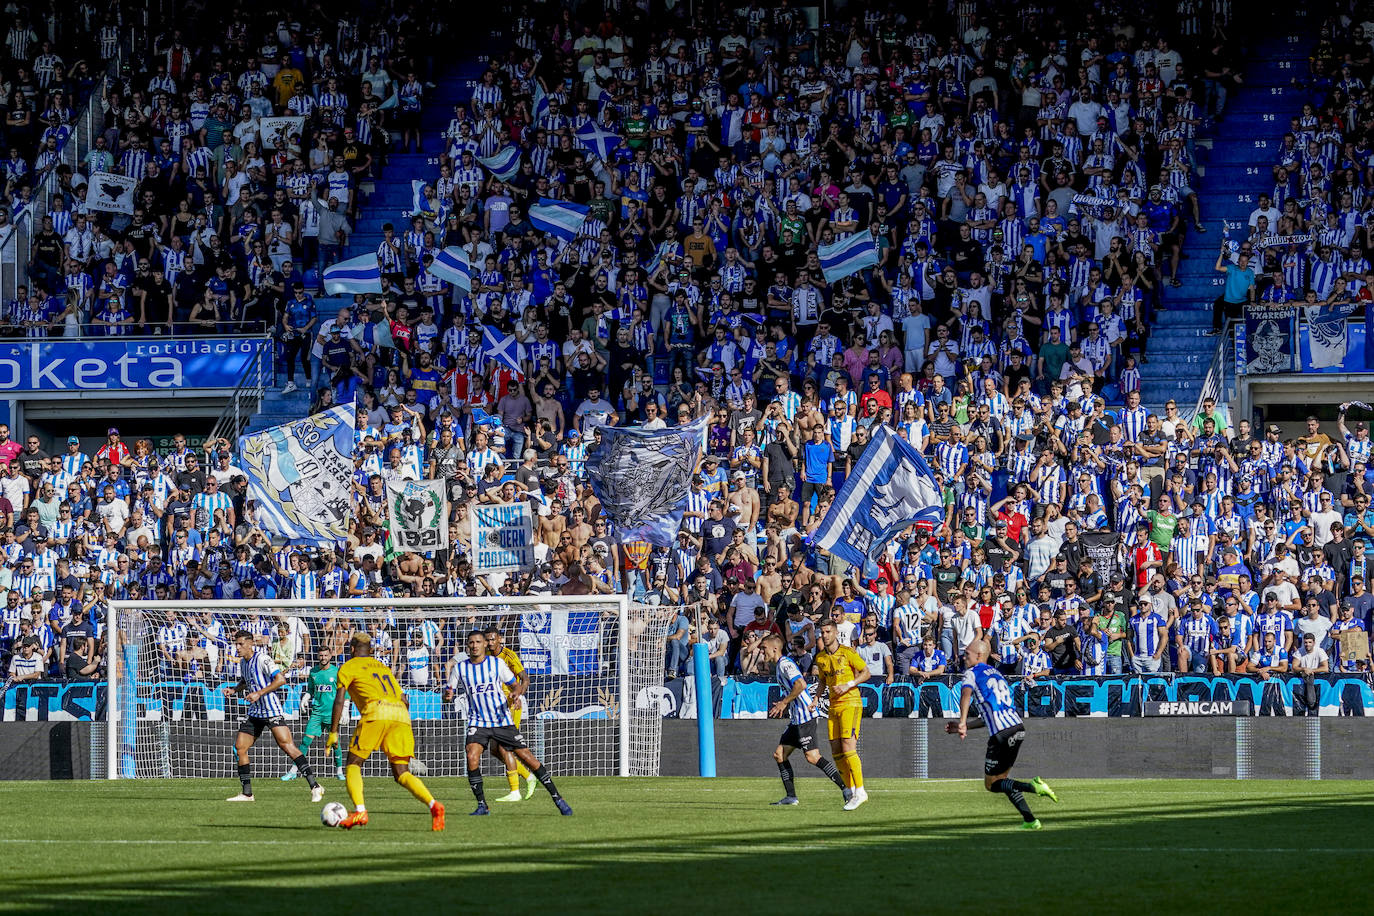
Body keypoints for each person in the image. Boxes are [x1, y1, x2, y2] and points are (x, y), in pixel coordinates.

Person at [444, 631, 572, 817]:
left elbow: (516, 684)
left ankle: (557, 798)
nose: (474, 645)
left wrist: (516, 693)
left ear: (484, 645)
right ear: (467, 645)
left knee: (528, 757)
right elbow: (449, 692)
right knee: (472, 756)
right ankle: (482, 806)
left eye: (478, 642)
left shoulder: (497, 664)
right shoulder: (461, 668)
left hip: (501, 719)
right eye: (471, 642)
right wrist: (447, 696)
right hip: (478, 721)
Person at [326, 632, 445, 831]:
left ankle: (360, 811)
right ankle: (434, 805)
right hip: (401, 714)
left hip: (376, 710)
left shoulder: (348, 666)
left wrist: (333, 731)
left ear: (352, 649)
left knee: (353, 763)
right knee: (401, 772)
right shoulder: (382, 667)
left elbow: (339, 699)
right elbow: (405, 698)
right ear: (371, 650)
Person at [946, 639, 1058, 829]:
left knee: (991, 785)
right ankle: (1030, 820)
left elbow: (965, 694)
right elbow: (987, 717)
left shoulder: (972, 673)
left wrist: (962, 722)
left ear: (979, 656)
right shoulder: (998, 674)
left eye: (968, 654)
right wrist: (964, 726)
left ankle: (1034, 787)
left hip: (1001, 734)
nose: (965, 658)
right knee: (1004, 780)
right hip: (1018, 729)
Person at [223, 630, 323, 803]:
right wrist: (234, 689)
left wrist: (259, 693)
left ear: (250, 643)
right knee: (240, 747)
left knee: (287, 746)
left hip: (271, 710)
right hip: (255, 712)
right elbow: (246, 681)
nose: (237, 647)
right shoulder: (243, 663)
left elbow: (280, 680)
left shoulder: (262, 659)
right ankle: (247, 794)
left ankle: (315, 786)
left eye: (240, 644)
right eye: (235, 644)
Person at [761, 635, 849, 807]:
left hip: (805, 716)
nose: (761, 651)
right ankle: (791, 797)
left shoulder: (785, 664)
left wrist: (783, 703)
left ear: (774, 648)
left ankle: (846, 789)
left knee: (813, 757)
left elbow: (800, 684)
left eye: (763, 648)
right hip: (796, 719)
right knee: (780, 755)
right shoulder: (779, 666)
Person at [811, 619, 870, 810]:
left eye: (828, 631)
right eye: (822, 632)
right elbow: (822, 680)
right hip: (833, 706)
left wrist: (848, 685)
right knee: (836, 750)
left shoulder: (848, 653)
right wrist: (816, 698)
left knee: (847, 746)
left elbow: (866, 672)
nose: (824, 635)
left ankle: (860, 791)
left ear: (836, 633)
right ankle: (851, 790)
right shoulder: (820, 658)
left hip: (851, 703)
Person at [483, 625, 534, 802]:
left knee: (505, 747)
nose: (490, 643)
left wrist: (518, 694)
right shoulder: (486, 656)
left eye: (492, 639)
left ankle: (515, 791)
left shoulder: (509, 655)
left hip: (512, 704)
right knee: (494, 750)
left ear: (499, 639)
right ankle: (528, 776)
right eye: (487, 640)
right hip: (496, 706)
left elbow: (525, 678)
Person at [282, 648, 345, 783]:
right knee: (305, 741)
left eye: (326, 655)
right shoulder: (313, 672)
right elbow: (311, 689)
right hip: (317, 712)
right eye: (321, 655)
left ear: (330, 656)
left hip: (332, 713)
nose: (323, 657)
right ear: (318, 656)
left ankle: (339, 771)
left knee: (334, 742)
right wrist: (305, 697)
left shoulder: (337, 672)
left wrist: (345, 709)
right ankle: (293, 771)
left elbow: (344, 692)